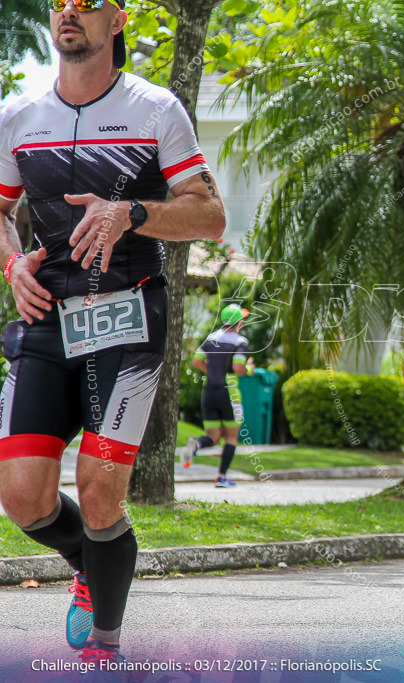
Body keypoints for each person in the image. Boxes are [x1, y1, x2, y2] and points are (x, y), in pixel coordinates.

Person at [0, 0, 225, 664]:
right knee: (21, 496)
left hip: (128, 315)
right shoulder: (16, 117)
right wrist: (13, 264)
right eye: (60, 0)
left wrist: (131, 212)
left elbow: (209, 215)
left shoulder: (157, 110)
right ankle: (86, 565)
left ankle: (106, 649)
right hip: (47, 315)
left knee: (100, 492)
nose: (70, 10)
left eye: (88, 1)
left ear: (117, 20)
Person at [185, 304, 255, 487]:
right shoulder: (240, 341)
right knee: (231, 437)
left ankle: (196, 444)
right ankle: (221, 477)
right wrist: (249, 369)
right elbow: (238, 368)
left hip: (209, 392)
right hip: (228, 393)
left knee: (213, 437)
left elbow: (196, 361)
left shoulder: (211, 338)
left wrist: (212, 371)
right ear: (239, 322)